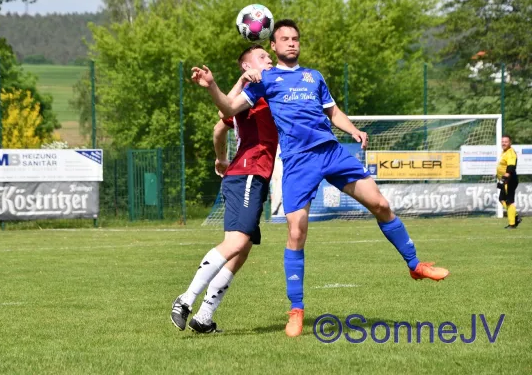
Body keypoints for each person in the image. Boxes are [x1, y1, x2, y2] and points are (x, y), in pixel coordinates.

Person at [191, 19, 450, 338]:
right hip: (299, 162)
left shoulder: (313, 77)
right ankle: (296, 310)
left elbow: (333, 111)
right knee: (297, 231)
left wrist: (353, 129)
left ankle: (415, 265)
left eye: (295, 39)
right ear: (273, 45)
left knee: (381, 204)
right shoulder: (264, 80)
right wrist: (213, 85)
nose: (291, 43)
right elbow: (229, 107)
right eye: (284, 38)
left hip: (331, 152)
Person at [171, 45, 278, 333]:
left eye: (269, 57)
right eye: (263, 57)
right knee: (236, 244)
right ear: (247, 66)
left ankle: (204, 317)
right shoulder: (252, 95)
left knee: (241, 249)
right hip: (247, 173)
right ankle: (185, 300)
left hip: (250, 175)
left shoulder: (265, 89)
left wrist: (220, 158)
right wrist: (222, 83)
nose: (269, 60)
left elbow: (220, 129)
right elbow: (225, 110)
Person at [497, 135, 521, 229]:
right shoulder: (504, 152)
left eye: (506, 141)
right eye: (502, 141)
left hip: (509, 180)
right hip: (505, 179)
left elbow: (511, 167)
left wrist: (504, 179)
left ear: (510, 143)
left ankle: (512, 223)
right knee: (502, 199)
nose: (504, 143)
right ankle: (515, 216)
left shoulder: (510, 152)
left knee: (509, 201)